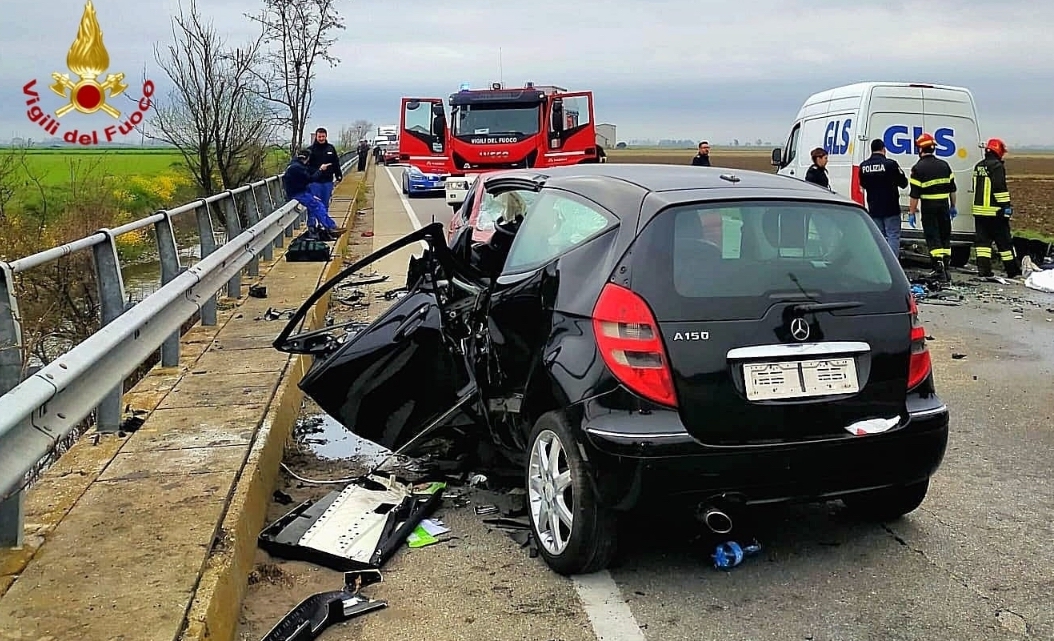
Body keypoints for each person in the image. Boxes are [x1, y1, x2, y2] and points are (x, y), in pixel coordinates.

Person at [908, 133, 957, 282]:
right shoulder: (944, 165)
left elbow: (914, 195)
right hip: (944, 205)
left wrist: (911, 212)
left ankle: (938, 269)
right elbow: (953, 190)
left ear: (920, 149)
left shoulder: (918, 168)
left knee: (933, 237)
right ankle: (947, 269)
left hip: (929, 207)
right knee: (944, 237)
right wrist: (953, 206)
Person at [971, 138, 1021, 278]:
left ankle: (984, 271)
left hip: (979, 212)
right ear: (998, 151)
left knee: (982, 244)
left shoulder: (979, 166)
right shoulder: (997, 166)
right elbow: (1000, 189)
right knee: (1004, 243)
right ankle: (1012, 271)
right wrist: (1006, 207)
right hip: (995, 212)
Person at [858, 138, 909, 252]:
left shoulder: (863, 166)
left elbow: (863, 185)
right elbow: (903, 183)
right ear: (883, 150)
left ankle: (880, 263)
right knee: (893, 235)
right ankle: (892, 264)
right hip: (891, 207)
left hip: (874, 208)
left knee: (879, 238)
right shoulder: (891, 164)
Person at [283, 148, 344, 236]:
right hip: (297, 194)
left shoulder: (293, 165)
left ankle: (330, 226)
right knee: (317, 206)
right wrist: (320, 170)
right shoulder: (298, 168)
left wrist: (311, 195)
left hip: (298, 192)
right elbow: (310, 179)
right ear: (307, 158)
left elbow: (301, 182)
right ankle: (330, 227)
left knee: (318, 204)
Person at [306, 127, 343, 210]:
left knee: (325, 204)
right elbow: (306, 167)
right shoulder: (310, 150)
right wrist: (319, 170)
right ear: (316, 137)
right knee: (314, 204)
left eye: (323, 136)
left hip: (328, 181)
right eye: (319, 137)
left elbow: (336, 163)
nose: (321, 138)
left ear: (326, 136)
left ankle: (322, 222)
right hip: (315, 182)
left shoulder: (331, 148)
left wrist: (338, 176)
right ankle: (311, 222)